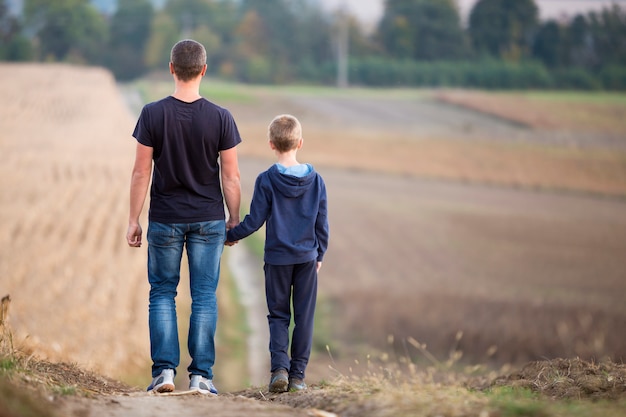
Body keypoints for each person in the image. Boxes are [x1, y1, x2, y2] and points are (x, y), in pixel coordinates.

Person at [126, 39, 242, 395]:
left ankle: (163, 373)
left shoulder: (152, 113)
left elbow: (141, 172)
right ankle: (201, 377)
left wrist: (134, 219)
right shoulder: (221, 117)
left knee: (162, 293)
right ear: (204, 70)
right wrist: (233, 219)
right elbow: (231, 175)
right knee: (204, 295)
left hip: (164, 218)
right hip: (208, 218)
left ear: (171, 68)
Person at [225, 114, 329, 393]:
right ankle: (298, 377)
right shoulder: (317, 181)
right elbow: (322, 223)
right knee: (304, 317)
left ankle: (279, 370)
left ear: (271, 144)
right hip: (307, 258)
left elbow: (255, 220)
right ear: (300, 143)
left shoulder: (266, 180)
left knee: (279, 316)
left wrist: (229, 235)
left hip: (277, 259)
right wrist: (319, 254)